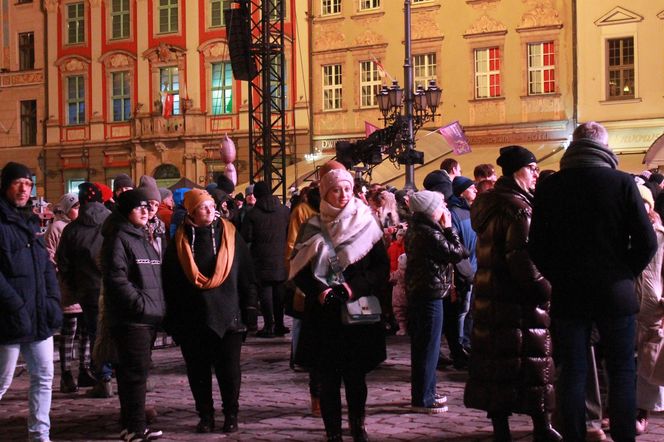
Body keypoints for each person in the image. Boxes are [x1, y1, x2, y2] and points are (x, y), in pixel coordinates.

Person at [529, 122, 657, 442]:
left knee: (572, 370)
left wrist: (559, 274)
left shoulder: (551, 186)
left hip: (570, 292)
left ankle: (574, 434)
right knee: (622, 370)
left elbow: (537, 246)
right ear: (604, 146)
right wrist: (624, 272)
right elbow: (647, 241)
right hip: (615, 292)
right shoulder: (622, 183)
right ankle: (624, 434)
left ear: (574, 145)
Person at [463, 146, 561, 442]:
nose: (535, 174)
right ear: (519, 170)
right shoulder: (519, 208)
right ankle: (541, 426)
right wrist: (546, 290)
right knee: (533, 364)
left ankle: (501, 429)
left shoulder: (490, 204)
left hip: (492, 299)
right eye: (532, 168)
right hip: (519, 301)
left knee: (498, 365)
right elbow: (522, 259)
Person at [290, 165, 388, 442]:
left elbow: (381, 267)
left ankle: (358, 425)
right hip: (324, 316)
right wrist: (318, 290)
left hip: (357, 313)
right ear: (325, 193)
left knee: (356, 378)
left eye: (347, 188)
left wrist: (352, 287)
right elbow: (298, 269)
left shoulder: (368, 222)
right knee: (328, 379)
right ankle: (332, 432)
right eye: (336, 189)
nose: (343, 194)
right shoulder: (312, 226)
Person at [163, 189, 257, 435]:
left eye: (211, 205)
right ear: (192, 211)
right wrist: (173, 321)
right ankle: (205, 414)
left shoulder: (230, 235)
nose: (209, 209)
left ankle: (231, 414)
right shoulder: (179, 241)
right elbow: (170, 283)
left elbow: (247, 275)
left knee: (229, 371)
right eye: (203, 206)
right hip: (192, 318)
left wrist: (250, 310)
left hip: (229, 315)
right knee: (198, 372)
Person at [0, 162, 63, 442]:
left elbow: (45, 266)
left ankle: (40, 435)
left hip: (39, 315)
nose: (24, 189)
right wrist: (13, 304)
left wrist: (52, 300)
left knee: (44, 377)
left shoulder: (30, 220)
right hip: (9, 316)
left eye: (28, 184)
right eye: (18, 183)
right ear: (5, 185)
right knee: (2, 382)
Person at [100, 189, 165, 442]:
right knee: (134, 375)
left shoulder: (141, 236)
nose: (145, 211)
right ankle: (135, 429)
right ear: (127, 211)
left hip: (146, 316)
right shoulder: (118, 237)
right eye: (139, 208)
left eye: (146, 207)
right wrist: (141, 304)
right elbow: (116, 278)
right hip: (131, 318)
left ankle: (132, 426)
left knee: (135, 374)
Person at [406, 190, 467, 414]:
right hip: (429, 294)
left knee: (425, 346)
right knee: (428, 347)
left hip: (424, 292)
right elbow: (458, 252)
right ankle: (423, 398)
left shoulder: (420, 228)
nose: (445, 209)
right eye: (440, 204)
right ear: (431, 209)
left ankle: (426, 392)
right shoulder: (428, 232)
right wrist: (450, 228)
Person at [57, 182, 114, 398]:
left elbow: (62, 262)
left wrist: (74, 286)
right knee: (118, 331)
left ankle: (104, 378)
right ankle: (130, 377)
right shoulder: (113, 223)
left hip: (88, 291)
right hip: (114, 288)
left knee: (94, 334)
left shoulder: (72, 230)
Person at [45, 192, 92, 394]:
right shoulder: (57, 227)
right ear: (66, 209)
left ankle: (84, 369)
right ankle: (66, 373)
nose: (78, 210)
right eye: (75, 207)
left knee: (85, 332)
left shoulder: (80, 227)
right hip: (66, 286)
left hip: (83, 287)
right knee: (69, 332)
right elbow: (50, 255)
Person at [241, 181, 291, 338]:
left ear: (256, 195)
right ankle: (280, 325)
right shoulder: (284, 211)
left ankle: (269, 326)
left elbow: (246, 236)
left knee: (265, 293)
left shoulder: (252, 214)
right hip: (281, 258)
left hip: (261, 259)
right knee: (279, 292)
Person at [633, 184, 664, 435]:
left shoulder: (661, 235)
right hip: (627, 304)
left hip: (653, 306)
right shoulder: (622, 234)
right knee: (623, 358)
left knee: (649, 358)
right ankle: (618, 408)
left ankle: (642, 411)